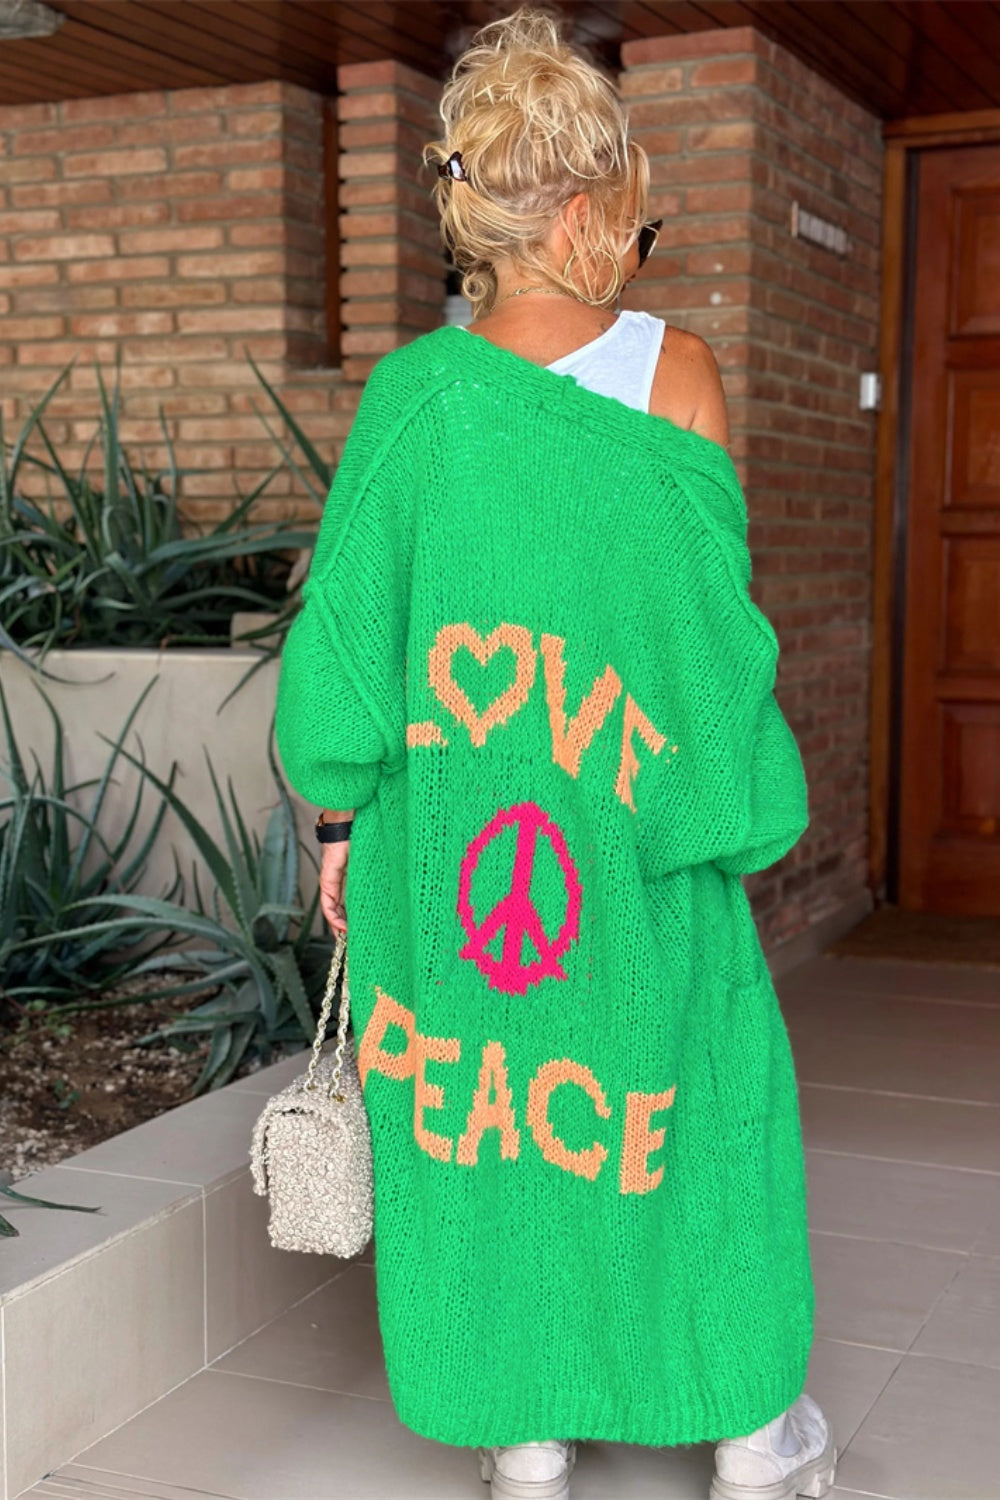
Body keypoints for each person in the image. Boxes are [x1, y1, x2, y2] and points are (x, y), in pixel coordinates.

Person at [274, 9, 837, 1499]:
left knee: (491, 1130)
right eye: (632, 213)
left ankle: (523, 1430)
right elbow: (710, 657)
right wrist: (733, 805)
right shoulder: (680, 377)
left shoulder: (412, 403)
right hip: (632, 843)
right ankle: (752, 1431)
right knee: (696, 1106)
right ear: (586, 205)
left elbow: (342, 663)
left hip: (453, 851)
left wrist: (338, 829)